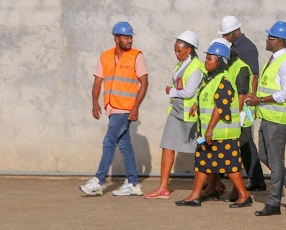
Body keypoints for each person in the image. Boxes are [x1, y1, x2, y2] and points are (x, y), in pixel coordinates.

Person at [175, 39, 251, 208]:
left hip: (222, 134)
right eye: (206, 58)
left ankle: (244, 195)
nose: (206, 61)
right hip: (210, 133)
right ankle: (195, 195)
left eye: (210, 58)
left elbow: (220, 106)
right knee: (202, 162)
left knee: (231, 167)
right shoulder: (211, 79)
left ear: (221, 61)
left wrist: (209, 129)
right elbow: (207, 98)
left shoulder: (224, 80)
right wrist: (196, 105)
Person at [245, 21, 286, 216]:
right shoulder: (273, 60)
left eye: (270, 37)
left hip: (277, 119)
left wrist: (260, 99)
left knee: (276, 160)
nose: (267, 40)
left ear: (280, 41)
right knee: (265, 156)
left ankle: (273, 203)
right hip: (267, 116)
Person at [81, 22, 149, 197]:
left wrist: (135, 108)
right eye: (126, 37)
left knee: (108, 142)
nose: (130, 40)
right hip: (111, 108)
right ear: (116, 38)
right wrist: (95, 103)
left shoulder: (136, 56)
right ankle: (133, 183)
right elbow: (98, 81)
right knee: (124, 145)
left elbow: (144, 83)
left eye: (131, 37)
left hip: (125, 109)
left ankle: (98, 180)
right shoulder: (105, 56)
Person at [144, 31, 205, 199]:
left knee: (201, 150)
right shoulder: (182, 64)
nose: (177, 54)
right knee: (167, 146)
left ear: (189, 50)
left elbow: (189, 92)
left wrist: (170, 91)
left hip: (190, 114)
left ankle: (216, 185)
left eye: (180, 51)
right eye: (175, 51)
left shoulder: (197, 67)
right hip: (176, 112)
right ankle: (163, 187)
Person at [219, 16, 265, 191]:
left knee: (245, 142)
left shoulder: (247, 48)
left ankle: (257, 179)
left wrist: (249, 99)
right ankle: (250, 179)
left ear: (237, 31)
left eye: (227, 34)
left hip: (243, 104)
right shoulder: (234, 47)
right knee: (238, 141)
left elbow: (254, 75)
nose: (225, 38)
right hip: (236, 102)